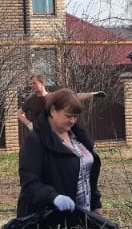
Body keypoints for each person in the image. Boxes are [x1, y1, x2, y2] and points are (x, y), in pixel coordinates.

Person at [18, 88, 102, 217]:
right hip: (49, 222)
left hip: (83, 216)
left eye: (75, 116)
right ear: (52, 110)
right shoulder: (35, 141)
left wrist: (95, 205)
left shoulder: (78, 137)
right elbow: (29, 182)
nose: (72, 121)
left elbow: (87, 174)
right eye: (68, 116)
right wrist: (53, 197)